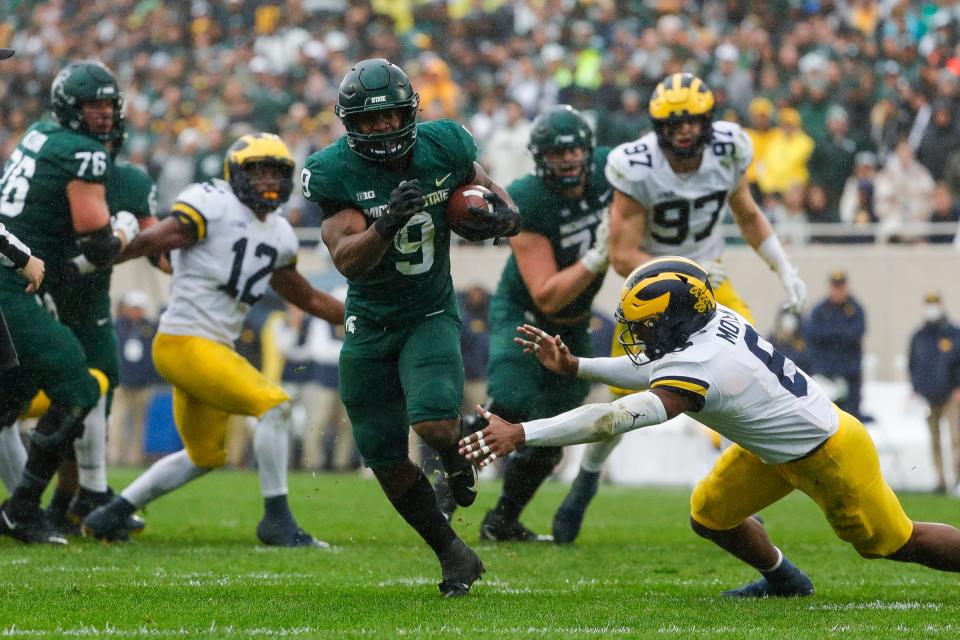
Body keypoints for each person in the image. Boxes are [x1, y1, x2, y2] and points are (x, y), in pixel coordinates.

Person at [461, 257, 960, 597]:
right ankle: (785, 581)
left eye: (648, 326)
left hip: (828, 454)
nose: (639, 337)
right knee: (711, 514)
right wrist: (577, 368)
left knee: (894, 544)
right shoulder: (709, 318)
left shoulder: (701, 368)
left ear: (676, 321)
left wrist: (522, 433)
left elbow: (609, 418)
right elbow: (657, 368)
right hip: (772, 448)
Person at [553, 72, 807, 544]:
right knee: (618, 399)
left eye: (692, 121)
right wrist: (681, 275)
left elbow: (747, 213)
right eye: (673, 123)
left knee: (749, 380)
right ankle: (586, 481)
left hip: (712, 288)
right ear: (657, 126)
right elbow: (623, 253)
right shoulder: (637, 165)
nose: (684, 131)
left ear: (708, 121)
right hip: (650, 292)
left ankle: (739, 498)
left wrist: (782, 266)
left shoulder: (730, 148)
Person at [299, 58, 520, 597]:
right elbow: (348, 260)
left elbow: (481, 186)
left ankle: (454, 454)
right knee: (384, 457)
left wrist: (507, 216)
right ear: (349, 123)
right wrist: (386, 224)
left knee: (435, 424)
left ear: (410, 114)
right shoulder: (334, 171)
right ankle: (452, 552)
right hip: (369, 323)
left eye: (390, 117)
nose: (380, 129)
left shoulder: (444, 145)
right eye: (368, 121)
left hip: (428, 312)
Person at [81, 132, 344, 547]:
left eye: (276, 171)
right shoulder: (213, 203)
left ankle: (109, 514)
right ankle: (277, 521)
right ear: (235, 173)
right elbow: (158, 239)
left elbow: (306, 295)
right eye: (258, 170)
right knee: (274, 407)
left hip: (209, 351)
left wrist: (355, 316)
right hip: (184, 341)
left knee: (206, 456)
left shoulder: (279, 233)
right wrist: (98, 257)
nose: (268, 180)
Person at [0, 60, 137, 544]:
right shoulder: (82, 153)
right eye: (91, 104)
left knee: (13, 390)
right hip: (10, 278)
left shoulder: (38, 133)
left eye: (107, 104)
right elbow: (99, 244)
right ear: (70, 108)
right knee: (78, 385)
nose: (102, 113)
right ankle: (22, 508)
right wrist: (127, 227)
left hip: (17, 273)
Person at [473, 105, 612, 542]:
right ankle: (441, 493)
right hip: (526, 315)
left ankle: (503, 519)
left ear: (589, 152)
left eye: (573, 152)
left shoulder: (612, 171)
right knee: (509, 405)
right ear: (539, 158)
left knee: (556, 430)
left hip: (573, 327)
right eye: (556, 154)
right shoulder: (528, 198)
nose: (567, 161)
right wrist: (597, 256)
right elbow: (547, 292)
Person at [908, 292, 960, 494]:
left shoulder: (954, 333)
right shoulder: (919, 336)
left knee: (956, 438)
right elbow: (913, 364)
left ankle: (957, 479)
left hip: (951, 395)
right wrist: (915, 388)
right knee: (934, 439)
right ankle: (940, 480)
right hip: (928, 397)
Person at [108, 291, 161, 467]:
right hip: (122, 382)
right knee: (118, 421)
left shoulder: (151, 328)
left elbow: (155, 356)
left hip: (143, 383)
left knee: (140, 424)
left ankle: (134, 458)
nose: (136, 311)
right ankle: (114, 457)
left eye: (139, 308)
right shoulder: (117, 326)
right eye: (133, 308)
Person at [805, 271, 867, 420]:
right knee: (825, 421)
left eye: (841, 286)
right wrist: (840, 333)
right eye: (835, 286)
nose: (838, 290)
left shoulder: (855, 310)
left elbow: (854, 335)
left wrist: (830, 334)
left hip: (849, 376)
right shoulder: (820, 310)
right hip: (825, 375)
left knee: (851, 420)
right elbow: (813, 335)